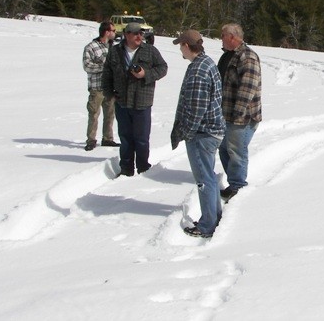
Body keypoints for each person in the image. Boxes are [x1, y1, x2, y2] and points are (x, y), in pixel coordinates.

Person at [171, 30, 225, 238]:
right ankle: (215, 217)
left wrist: (187, 133)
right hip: (210, 131)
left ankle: (207, 226)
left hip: (203, 134)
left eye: (180, 45)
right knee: (209, 178)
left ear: (186, 45)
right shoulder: (205, 63)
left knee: (204, 180)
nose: (180, 50)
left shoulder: (198, 71)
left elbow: (196, 108)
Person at [102, 22, 168, 176]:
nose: (139, 36)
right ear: (126, 34)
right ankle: (126, 168)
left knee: (142, 139)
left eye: (141, 33)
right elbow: (107, 74)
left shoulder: (150, 51)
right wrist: (109, 93)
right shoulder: (115, 51)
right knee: (125, 138)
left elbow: (163, 68)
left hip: (142, 101)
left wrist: (146, 74)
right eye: (135, 33)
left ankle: (143, 168)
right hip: (122, 101)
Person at [217, 23, 262, 202]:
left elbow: (248, 88)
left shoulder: (247, 57)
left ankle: (238, 187)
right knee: (223, 149)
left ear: (233, 37)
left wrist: (237, 114)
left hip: (242, 117)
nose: (221, 38)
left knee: (236, 151)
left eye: (223, 35)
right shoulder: (227, 56)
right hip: (224, 114)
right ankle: (234, 182)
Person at [82, 21, 119, 151]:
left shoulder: (113, 48)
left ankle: (108, 139)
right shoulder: (91, 47)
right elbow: (87, 66)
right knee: (94, 114)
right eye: (113, 31)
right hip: (96, 87)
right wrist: (104, 67)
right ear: (106, 32)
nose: (115, 33)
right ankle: (91, 140)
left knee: (110, 114)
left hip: (110, 87)